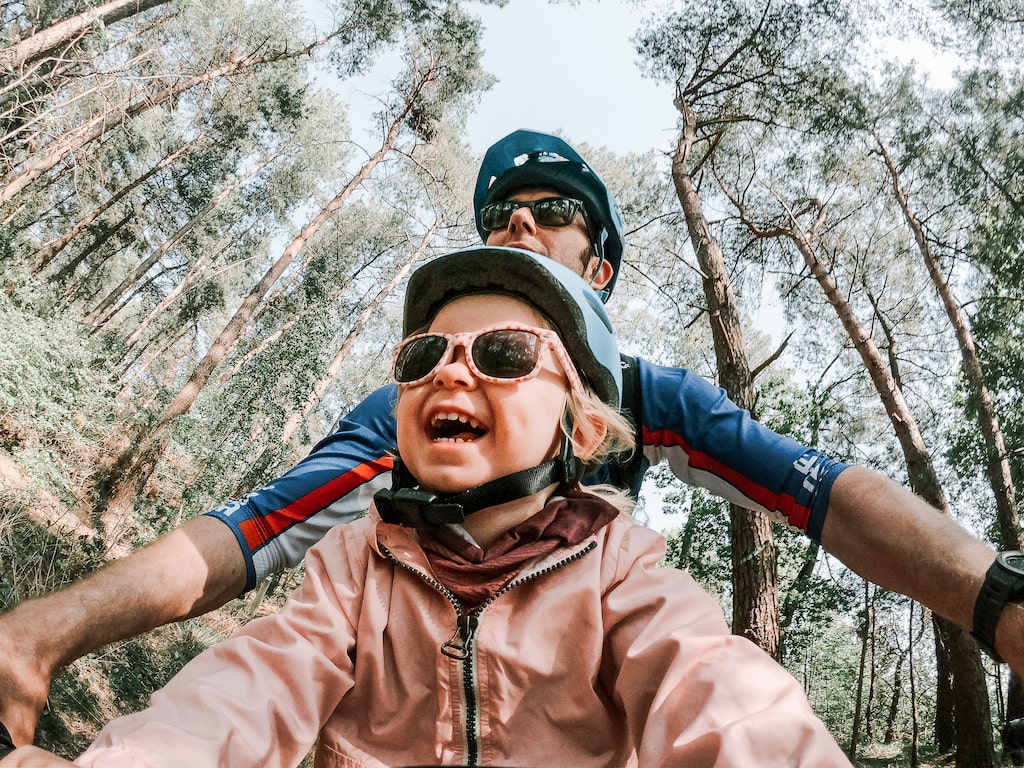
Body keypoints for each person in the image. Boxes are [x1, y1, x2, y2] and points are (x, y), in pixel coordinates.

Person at [0, 129, 1020, 748]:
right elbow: (249, 536)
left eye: (554, 208)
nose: (520, 221)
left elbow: (825, 497)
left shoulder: (647, 414)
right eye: (500, 212)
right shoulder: (395, 418)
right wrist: (38, 635)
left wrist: (997, 601)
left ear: (601, 266)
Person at [0, 247, 851, 767]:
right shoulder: (353, 568)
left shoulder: (621, 573)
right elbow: (239, 696)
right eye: (422, 357)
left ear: (582, 426)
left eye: (505, 353)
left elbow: (721, 696)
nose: (450, 370)